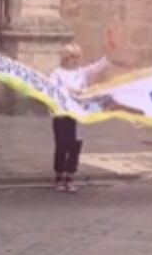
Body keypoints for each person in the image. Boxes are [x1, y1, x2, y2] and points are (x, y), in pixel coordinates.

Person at [48, 42, 112, 194]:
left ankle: (70, 176)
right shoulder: (57, 73)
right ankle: (59, 174)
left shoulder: (81, 72)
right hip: (62, 115)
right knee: (62, 145)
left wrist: (110, 53)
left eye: (77, 57)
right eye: (71, 57)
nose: (75, 60)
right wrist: (72, 90)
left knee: (75, 145)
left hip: (78, 114)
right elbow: (52, 89)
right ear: (64, 58)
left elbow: (97, 67)